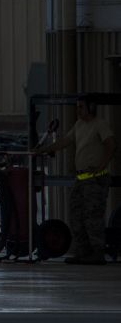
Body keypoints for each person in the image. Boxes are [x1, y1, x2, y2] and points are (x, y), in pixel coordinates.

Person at [35, 98, 115, 265]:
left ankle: (97, 252)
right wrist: (43, 150)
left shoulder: (100, 124)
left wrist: (101, 166)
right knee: (76, 215)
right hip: (81, 179)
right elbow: (65, 141)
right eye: (77, 107)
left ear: (91, 107)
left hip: (95, 178)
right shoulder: (79, 125)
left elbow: (111, 145)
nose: (78, 110)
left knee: (92, 216)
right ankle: (83, 251)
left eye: (81, 107)